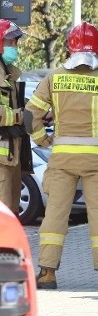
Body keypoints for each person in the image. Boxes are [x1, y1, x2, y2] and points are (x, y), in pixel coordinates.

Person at [24, 21, 98, 290]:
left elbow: (29, 116)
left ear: (69, 48)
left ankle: (47, 273)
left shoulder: (54, 78)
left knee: (55, 215)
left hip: (62, 160)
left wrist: (44, 140)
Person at [0, 20, 30, 215]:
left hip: (10, 155)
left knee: (10, 213)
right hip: (3, 160)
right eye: (10, 43)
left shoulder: (8, 73)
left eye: (16, 43)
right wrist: (23, 116)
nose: (14, 48)